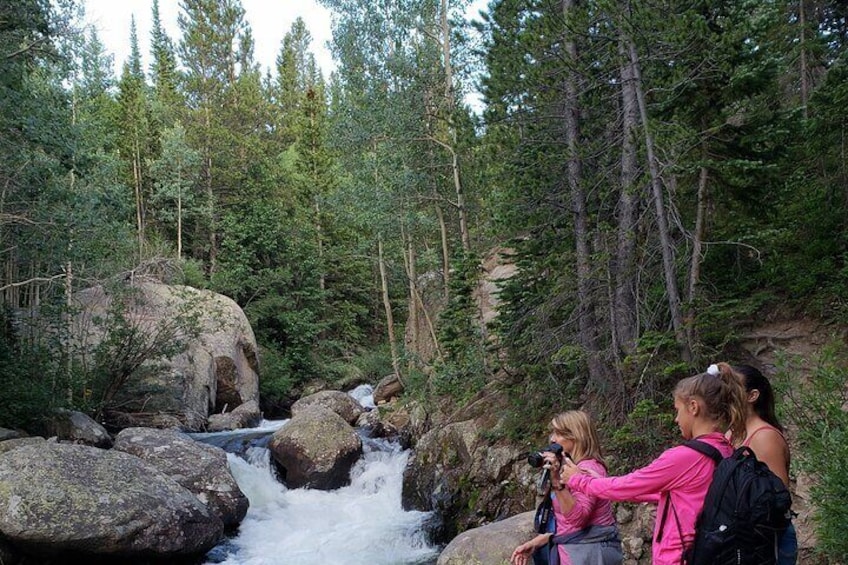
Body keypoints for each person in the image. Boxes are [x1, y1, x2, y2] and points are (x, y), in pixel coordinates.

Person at [560, 367, 748, 565]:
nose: (676, 419)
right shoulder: (724, 449)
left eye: (677, 410)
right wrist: (598, 482)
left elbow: (628, 485)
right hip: (707, 553)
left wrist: (578, 480)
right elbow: (675, 496)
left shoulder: (685, 457)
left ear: (693, 407)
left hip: (679, 557)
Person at [510, 410, 622, 565]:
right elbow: (566, 525)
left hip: (588, 554)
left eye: (558, 433)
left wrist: (556, 482)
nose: (552, 439)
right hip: (577, 551)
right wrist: (535, 543)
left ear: (576, 436)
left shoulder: (588, 469)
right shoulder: (572, 467)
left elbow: (578, 519)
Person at [716, 362, 797, 565]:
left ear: (752, 396)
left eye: (733, 389)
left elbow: (776, 500)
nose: (726, 395)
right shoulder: (731, 434)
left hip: (767, 543)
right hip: (743, 540)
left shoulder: (764, 437)